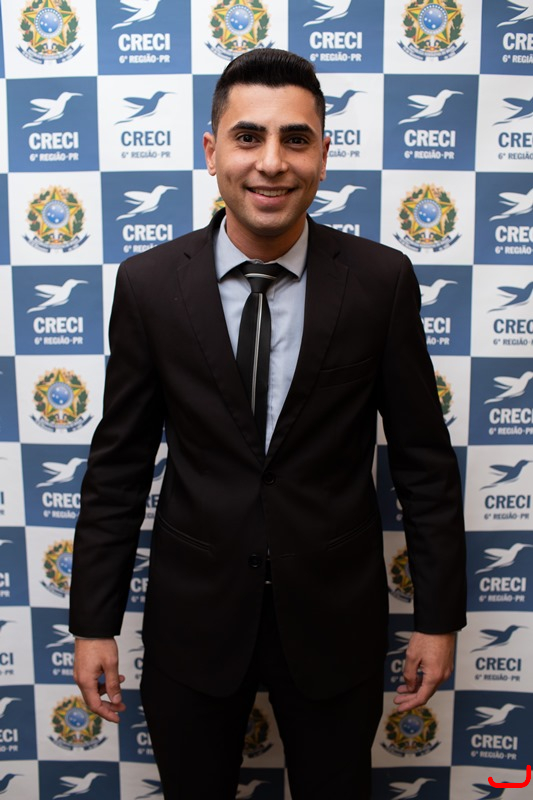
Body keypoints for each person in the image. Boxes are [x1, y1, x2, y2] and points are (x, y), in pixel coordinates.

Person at [70, 48, 466, 799]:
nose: (272, 162)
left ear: (323, 153)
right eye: (248, 137)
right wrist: (93, 624)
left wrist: (438, 618)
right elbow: (118, 466)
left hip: (335, 621)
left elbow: (423, 463)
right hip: (192, 620)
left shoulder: (380, 282)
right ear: (211, 150)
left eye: (295, 139)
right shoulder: (149, 285)